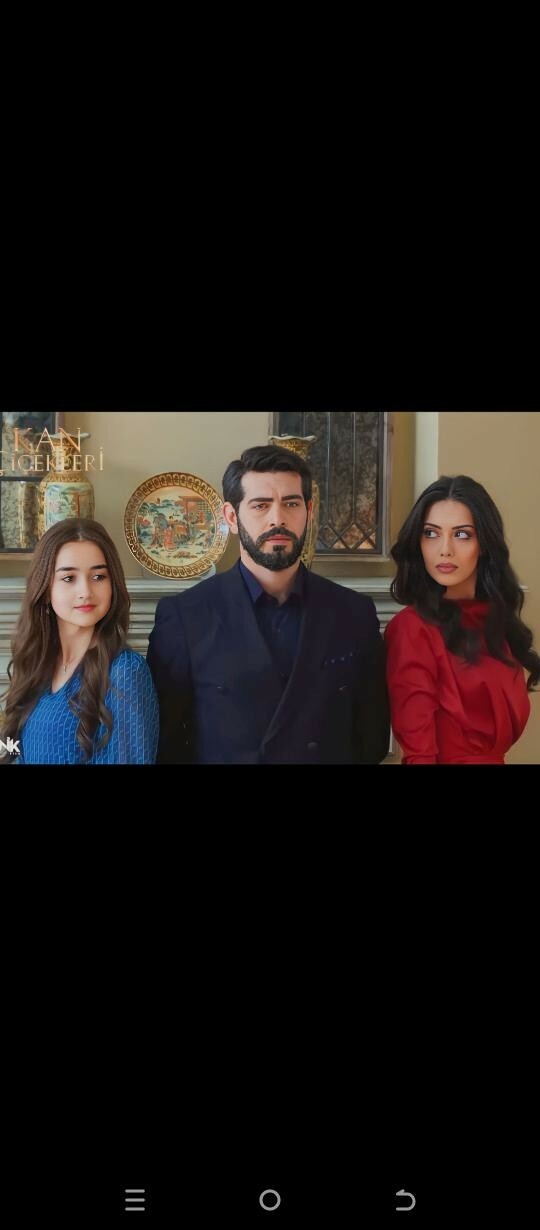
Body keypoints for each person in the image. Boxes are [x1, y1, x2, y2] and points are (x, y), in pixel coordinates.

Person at [147, 444, 390, 764]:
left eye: (291, 503)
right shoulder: (184, 618)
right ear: (231, 517)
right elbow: (166, 744)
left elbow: (371, 740)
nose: (278, 518)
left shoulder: (354, 613)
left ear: (309, 511)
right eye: (261, 505)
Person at [385, 475, 539, 764]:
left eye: (462, 534)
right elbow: (420, 755)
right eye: (431, 533)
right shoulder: (412, 629)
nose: (445, 549)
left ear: (484, 544)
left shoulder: (496, 622)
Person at [1, 518, 158, 764]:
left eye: (98, 576)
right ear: (45, 589)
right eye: (69, 578)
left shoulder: (125, 672)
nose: (85, 591)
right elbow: (13, 752)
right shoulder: (35, 663)